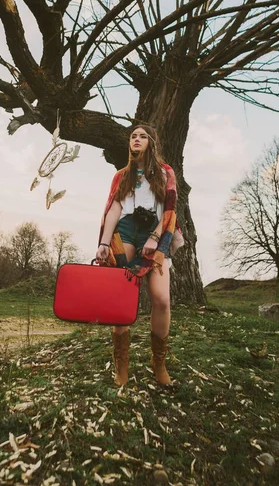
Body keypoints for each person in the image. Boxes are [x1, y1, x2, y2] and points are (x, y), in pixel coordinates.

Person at [96, 124, 184, 386]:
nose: (136, 139)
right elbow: (114, 209)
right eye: (133, 136)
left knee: (161, 299)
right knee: (121, 301)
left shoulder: (165, 173)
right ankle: (121, 367)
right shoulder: (121, 175)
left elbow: (169, 211)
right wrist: (103, 242)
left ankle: (159, 364)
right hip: (124, 232)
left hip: (153, 230)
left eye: (142, 136)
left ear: (152, 142)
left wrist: (156, 238)